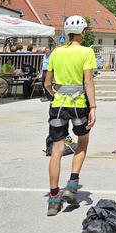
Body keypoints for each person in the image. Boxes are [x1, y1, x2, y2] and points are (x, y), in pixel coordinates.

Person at [44, 16, 97, 216]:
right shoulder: (86, 51)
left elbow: (47, 83)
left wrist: (55, 95)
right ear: (82, 32)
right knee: (82, 141)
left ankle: (53, 198)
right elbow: (89, 81)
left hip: (58, 104)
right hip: (79, 104)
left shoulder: (56, 53)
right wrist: (93, 106)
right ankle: (72, 185)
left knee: (57, 148)